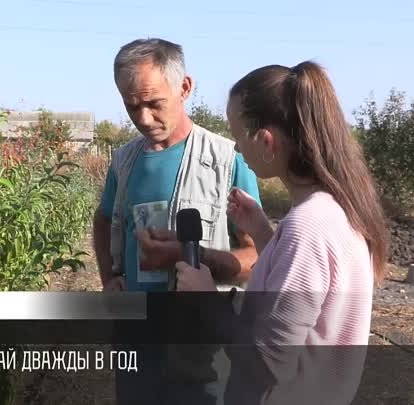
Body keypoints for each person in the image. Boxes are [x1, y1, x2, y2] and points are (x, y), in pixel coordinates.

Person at [175, 61, 390, 404]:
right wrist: (263, 235)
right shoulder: (336, 209)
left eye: (237, 134)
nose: (235, 148)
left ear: (265, 141)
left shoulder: (308, 227)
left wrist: (207, 302)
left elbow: (267, 362)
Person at [92, 38, 261, 404]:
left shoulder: (227, 160)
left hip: (200, 344)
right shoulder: (123, 161)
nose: (143, 118)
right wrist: (110, 278)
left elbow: (258, 258)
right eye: (131, 106)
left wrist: (193, 257)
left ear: (184, 88)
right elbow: (104, 219)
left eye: (154, 104)